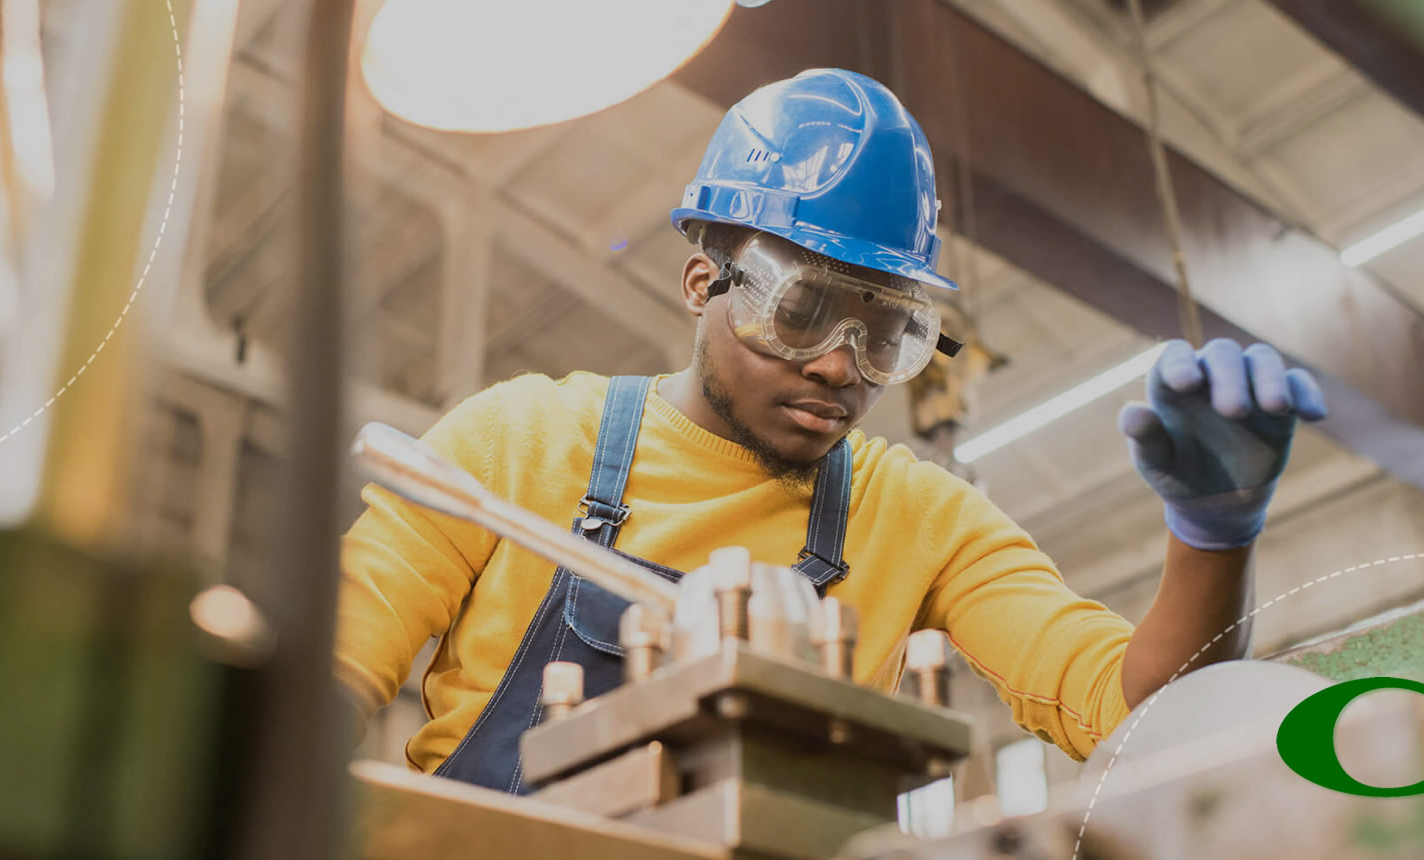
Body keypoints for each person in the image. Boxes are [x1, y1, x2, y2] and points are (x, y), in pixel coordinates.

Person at [333, 69, 1327, 794]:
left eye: (885, 332)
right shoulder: (513, 444)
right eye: (801, 311)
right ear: (703, 282)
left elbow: (1137, 712)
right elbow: (326, 678)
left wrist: (1212, 540)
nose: (841, 367)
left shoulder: (918, 516)